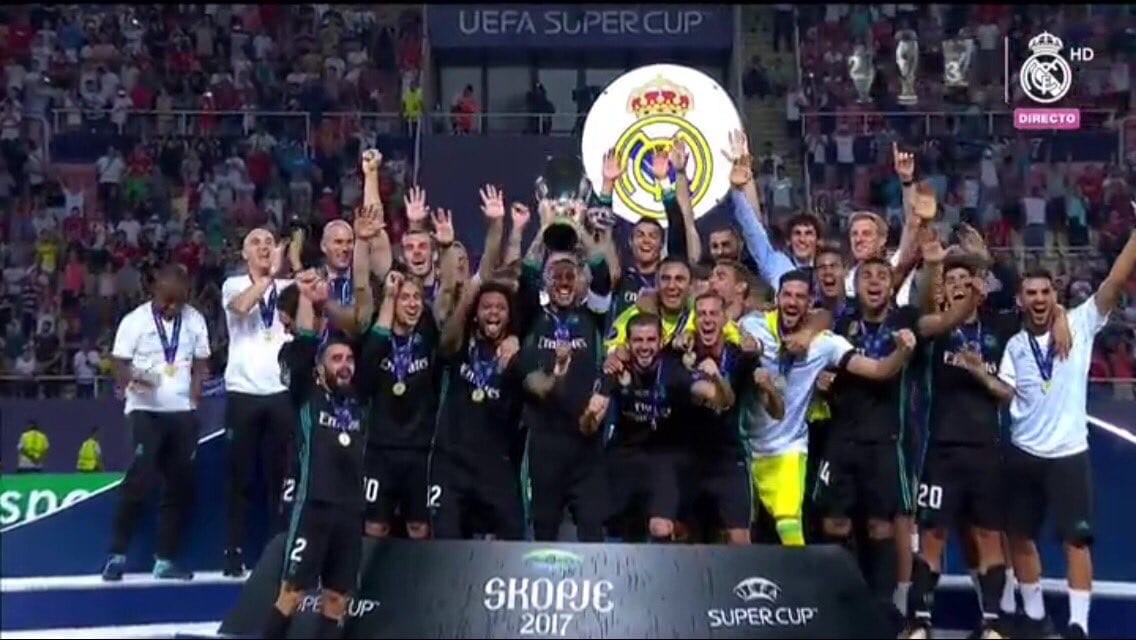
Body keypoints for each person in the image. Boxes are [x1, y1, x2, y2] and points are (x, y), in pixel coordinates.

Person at [997, 230, 1136, 640]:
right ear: (1021, 300)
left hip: (1068, 455)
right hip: (1023, 454)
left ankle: (1078, 625)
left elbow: (1115, 280)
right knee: (1019, 537)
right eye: (1031, 293)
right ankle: (1035, 617)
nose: (1039, 299)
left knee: (1077, 542)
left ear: (1054, 295)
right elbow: (1005, 392)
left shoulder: (1080, 322)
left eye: (1045, 292)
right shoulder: (1014, 345)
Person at [740, 270, 917, 548]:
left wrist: (902, 352)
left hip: (788, 449)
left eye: (800, 297)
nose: (792, 302)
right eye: (787, 295)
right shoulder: (753, 325)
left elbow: (878, 370)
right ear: (777, 299)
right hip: (745, 448)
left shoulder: (826, 344)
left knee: (790, 529)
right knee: (743, 532)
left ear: (810, 303)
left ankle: (809, 579)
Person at [901, 250, 1019, 640]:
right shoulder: (933, 332)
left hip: (986, 451)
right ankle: (920, 622)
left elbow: (1018, 289)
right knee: (933, 537)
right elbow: (927, 310)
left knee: (988, 536)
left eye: (965, 282)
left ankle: (992, 624)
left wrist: (980, 374)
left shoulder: (998, 332)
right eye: (950, 282)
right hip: (941, 452)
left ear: (977, 288)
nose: (958, 287)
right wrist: (938, 269)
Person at [262, 270, 370, 640]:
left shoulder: (358, 398)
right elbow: (307, 341)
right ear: (321, 367)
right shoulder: (307, 392)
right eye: (336, 359)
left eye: (349, 359)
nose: (345, 365)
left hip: (350, 509)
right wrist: (308, 297)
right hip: (314, 506)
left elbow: (371, 333)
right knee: (291, 593)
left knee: (337, 599)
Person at [103, 265, 211, 582]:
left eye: (179, 301)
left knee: (178, 485)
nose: (172, 307)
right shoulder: (134, 321)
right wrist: (130, 382)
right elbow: (119, 362)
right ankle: (116, 555)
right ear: (155, 292)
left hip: (182, 413)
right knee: (140, 475)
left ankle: (165, 560)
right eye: (167, 300)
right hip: (145, 411)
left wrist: (195, 394)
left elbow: (201, 362)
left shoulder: (195, 320)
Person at [586, 312, 734, 542]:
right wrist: (590, 414)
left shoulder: (673, 371)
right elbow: (588, 427)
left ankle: (682, 538)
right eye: (638, 340)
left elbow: (722, 401)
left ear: (661, 340)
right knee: (619, 533)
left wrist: (717, 378)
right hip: (624, 459)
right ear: (628, 343)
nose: (645, 347)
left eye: (650, 340)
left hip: (663, 460)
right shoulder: (616, 370)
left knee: (660, 528)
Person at [518, 225, 613, 542]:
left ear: (581, 281)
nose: (563, 281)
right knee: (544, 529)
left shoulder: (593, 315)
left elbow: (601, 272)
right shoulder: (533, 316)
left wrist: (577, 228)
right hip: (544, 442)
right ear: (546, 282)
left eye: (570, 275)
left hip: (587, 442)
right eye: (556, 275)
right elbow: (527, 275)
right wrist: (545, 229)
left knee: (592, 529)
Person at [221, 228, 293, 577]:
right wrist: (268, 277)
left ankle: (278, 555)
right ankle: (233, 551)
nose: (264, 247)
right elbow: (241, 308)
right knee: (241, 478)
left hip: (281, 392)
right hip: (243, 393)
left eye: (269, 242)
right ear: (244, 253)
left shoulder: (289, 288)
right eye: (256, 242)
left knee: (279, 479)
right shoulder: (233, 285)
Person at [431, 279, 525, 540]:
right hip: (451, 463)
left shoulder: (515, 356)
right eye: (486, 307)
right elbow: (447, 338)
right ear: (475, 314)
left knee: (513, 538)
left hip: (495, 466)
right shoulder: (460, 347)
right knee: (446, 542)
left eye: (500, 308)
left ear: (509, 316)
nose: (493, 312)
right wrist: (469, 294)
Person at [361, 270, 438, 540]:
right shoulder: (376, 338)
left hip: (419, 452)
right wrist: (389, 297)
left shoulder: (429, 338)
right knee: (375, 527)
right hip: (379, 452)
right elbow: (366, 370)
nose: (412, 303)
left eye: (417, 297)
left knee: (419, 527)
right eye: (405, 297)